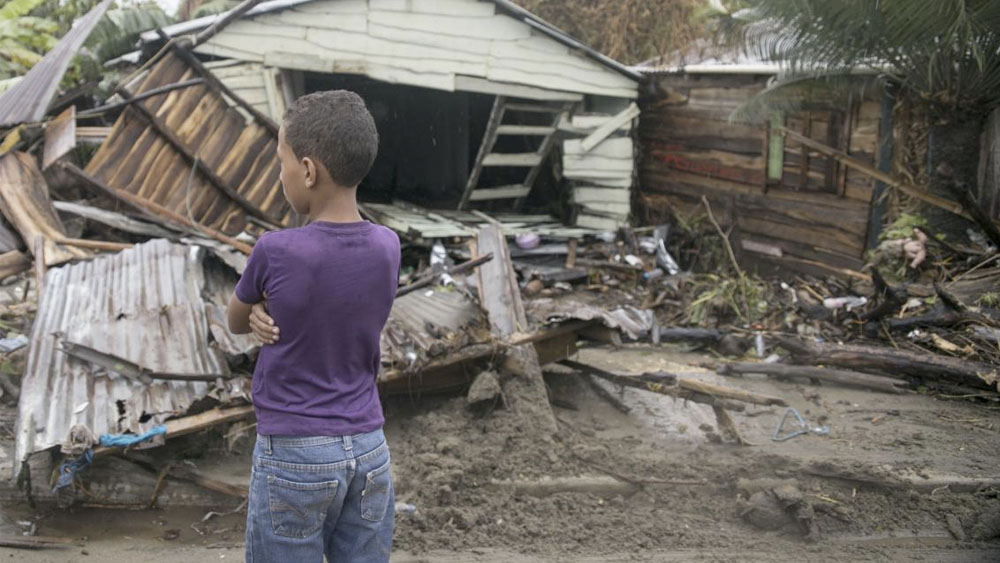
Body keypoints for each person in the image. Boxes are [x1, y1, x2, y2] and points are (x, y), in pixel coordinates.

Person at [227, 90, 400, 563]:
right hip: (368, 449)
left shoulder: (276, 250)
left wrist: (260, 309)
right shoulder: (388, 246)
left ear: (307, 171)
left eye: (281, 162)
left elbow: (235, 319)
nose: (280, 174)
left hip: (295, 453)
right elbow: (343, 303)